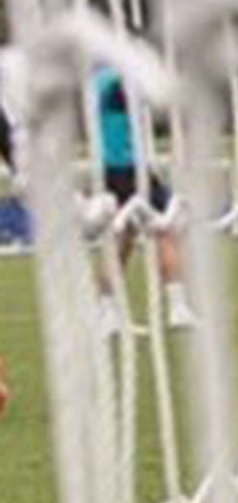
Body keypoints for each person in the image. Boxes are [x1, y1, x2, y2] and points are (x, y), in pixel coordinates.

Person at [92, 64, 194, 329]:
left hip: (112, 166)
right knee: (166, 228)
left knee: (123, 239)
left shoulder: (97, 79)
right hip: (129, 167)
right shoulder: (115, 80)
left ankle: (106, 310)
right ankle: (177, 307)